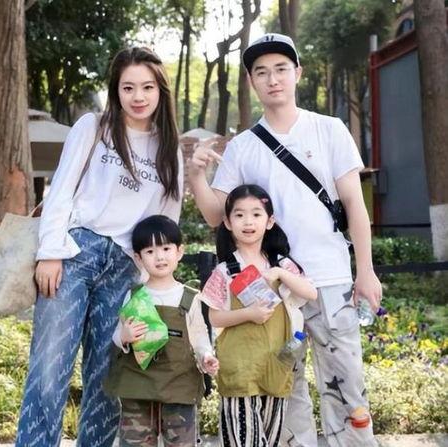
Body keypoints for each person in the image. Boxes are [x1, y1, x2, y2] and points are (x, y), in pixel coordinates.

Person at [188, 34, 382, 447]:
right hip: (269, 291)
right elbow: (216, 214)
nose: (272, 79)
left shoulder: (329, 129)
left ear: (298, 73)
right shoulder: (242, 147)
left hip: (329, 279)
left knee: (348, 389)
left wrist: (365, 271)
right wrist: (196, 176)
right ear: (251, 81)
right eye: (261, 72)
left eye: (281, 69)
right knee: (283, 391)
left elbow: (355, 205)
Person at [15, 47, 183, 447]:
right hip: (75, 254)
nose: (138, 96)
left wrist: (151, 281)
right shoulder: (94, 127)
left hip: (125, 268)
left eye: (147, 87)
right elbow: (61, 190)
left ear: (160, 91)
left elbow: (165, 222)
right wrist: (50, 252)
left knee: (108, 378)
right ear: (116, 90)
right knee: (49, 369)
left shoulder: (168, 148)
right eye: (128, 87)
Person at [199, 184, 317, 447]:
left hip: (277, 366)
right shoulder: (225, 270)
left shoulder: (282, 264)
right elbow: (215, 318)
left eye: (256, 214)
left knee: (271, 441)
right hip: (240, 369)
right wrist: (248, 314)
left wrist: (280, 274)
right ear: (228, 222)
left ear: (270, 221)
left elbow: (311, 293)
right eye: (239, 215)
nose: (248, 221)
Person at [103, 214, 219, 446]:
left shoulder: (189, 297)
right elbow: (118, 335)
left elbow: (199, 336)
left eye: (166, 248)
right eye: (150, 251)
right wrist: (124, 337)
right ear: (138, 258)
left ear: (180, 251)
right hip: (138, 386)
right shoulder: (135, 295)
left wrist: (206, 356)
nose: (159, 257)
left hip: (179, 385)